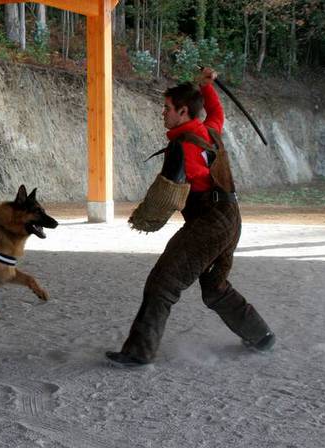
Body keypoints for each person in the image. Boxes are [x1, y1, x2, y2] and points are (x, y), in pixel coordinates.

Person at [106, 68, 276, 367]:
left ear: (183, 111)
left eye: (168, 108)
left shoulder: (182, 146)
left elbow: (167, 194)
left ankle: (138, 353)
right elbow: (217, 111)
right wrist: (208, 87)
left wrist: (145, 218)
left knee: (163, 282)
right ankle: (261, 336)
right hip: (231, 218)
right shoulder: (210, 130)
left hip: (209, 224)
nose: (163, 113)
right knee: (214, 288)